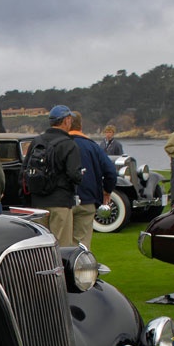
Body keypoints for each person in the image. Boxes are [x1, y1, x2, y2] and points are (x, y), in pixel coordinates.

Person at [26, 105, 84, 246]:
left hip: (38, 202)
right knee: (61, 247)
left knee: (40, 247)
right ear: (66, 121)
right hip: (60, 202)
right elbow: (73, 174)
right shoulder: (69, 144)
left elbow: (25, 170)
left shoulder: (36, 141)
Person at [68, 111, 117, 248]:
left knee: (62, 242)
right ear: (80, 125)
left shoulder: (59, 144)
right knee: (83, 243)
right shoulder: (92, 146)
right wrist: (107, 191)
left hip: (62, 201)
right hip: (87, 199)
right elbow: (110, 172)